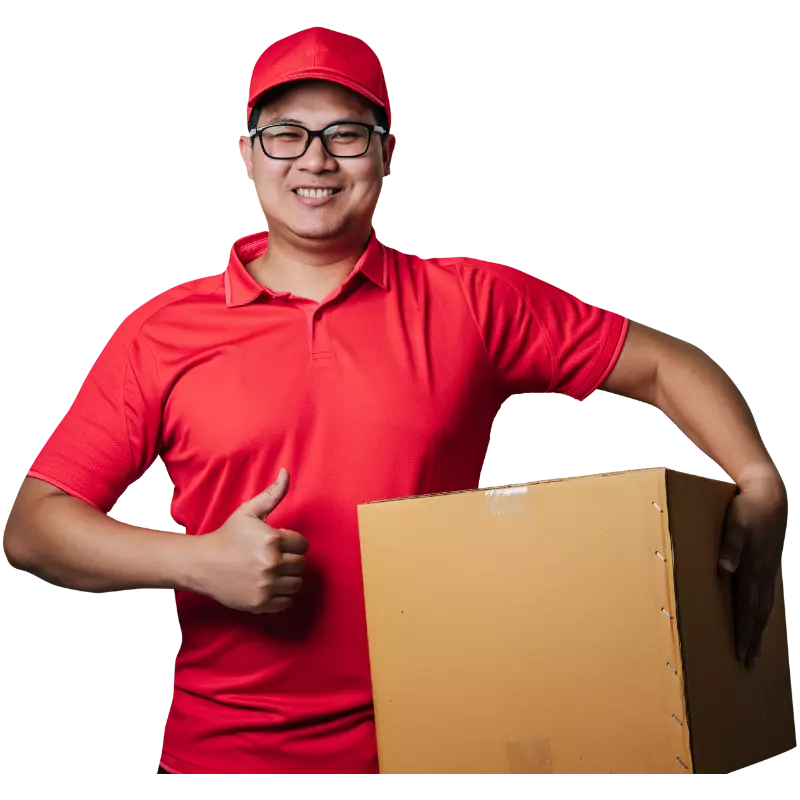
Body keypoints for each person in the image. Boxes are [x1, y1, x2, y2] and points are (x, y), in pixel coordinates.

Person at [3, 25, 788, 776]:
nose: (316, 159)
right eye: (285, 134)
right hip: (231, 756)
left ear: (388, 153)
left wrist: (758, 478)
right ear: (245, 158)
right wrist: (193, 562)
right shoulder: (160, 330)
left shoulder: (471, 301)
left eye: (346, 133)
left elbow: (659, 365)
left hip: (448, 741)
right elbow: (34, 526)